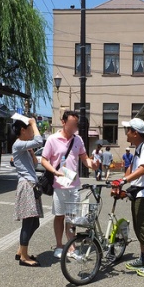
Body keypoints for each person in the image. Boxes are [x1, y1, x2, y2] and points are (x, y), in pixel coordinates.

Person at [41, 111, 98, 258]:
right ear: (64, 122)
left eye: (76, 124)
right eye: (72, 124)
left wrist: (93, 165)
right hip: (59, 184)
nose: (74, 127)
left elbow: (84, 158)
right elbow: (44, 159)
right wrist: (54, 171)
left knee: (72, 217)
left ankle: (71, 245)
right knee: (59, 216)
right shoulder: (53, 139)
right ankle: (59, 245)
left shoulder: (78, 139)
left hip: (74, 185)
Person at [112, 118, 144, 278]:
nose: (126, 132)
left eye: (128, 129)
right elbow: (131, 172)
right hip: (140, 194)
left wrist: (123, 181)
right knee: (139, 228)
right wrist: (117, 184)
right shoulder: (139, 148)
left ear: (135, 133)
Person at [12, 118, 44, 267]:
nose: (32, 130)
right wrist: (34, 123)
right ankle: (24, 257)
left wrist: (30, 152)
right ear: (23, 130)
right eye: (30, 128)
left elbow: (36, 163)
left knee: (35, 222)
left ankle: (21, 250)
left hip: (31, 185)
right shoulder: (18, 144)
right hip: (26, 186)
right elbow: (40, 141)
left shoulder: (24, 146)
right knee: (28, 222)